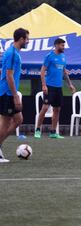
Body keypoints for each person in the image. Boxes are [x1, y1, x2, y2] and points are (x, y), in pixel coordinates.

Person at [34, 38, 76, 139]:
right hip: (49, 86)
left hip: (58, 87)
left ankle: (53, 132)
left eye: (64, 45)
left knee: (57, 109)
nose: (63, 47)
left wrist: (70, 84)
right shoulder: (49, 56)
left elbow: (64, 72)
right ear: (56, 45)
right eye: (62, 45)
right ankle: (38, 130)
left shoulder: (63, 57)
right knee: (44, 108)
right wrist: (44, 85)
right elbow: (42, 71)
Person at [0, 28, 29, 163]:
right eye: (27, 39)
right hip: (7, 93)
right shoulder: (12, 53)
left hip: (9, 92)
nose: (28, 41)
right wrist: (15, 95)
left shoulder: (14, 52)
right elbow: (9, 75)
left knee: (18, 120)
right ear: (21, 39)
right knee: (5, 123)